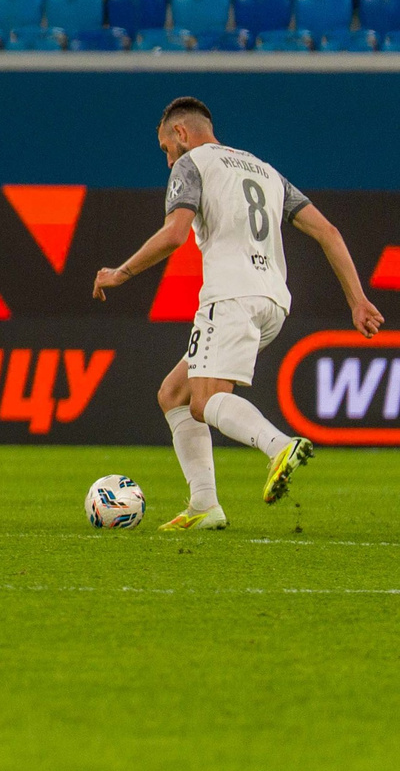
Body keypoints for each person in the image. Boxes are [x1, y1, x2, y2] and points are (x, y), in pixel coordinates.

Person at [92, 96, 381, 530]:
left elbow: (174, 235)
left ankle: (278, 445)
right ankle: (205, 504)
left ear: (181, 134)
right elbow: (328, 231)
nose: (168, 161)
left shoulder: (193, 165)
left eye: (166, 149)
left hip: (229, 296)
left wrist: (121, 272)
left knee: (203, 401)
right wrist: (357, 300)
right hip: (273, 301)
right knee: (175, 394)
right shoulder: (266, 171)